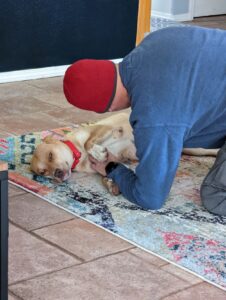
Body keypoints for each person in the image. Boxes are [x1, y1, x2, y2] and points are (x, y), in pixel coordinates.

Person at [63, 26, 226, 216]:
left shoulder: (153, 116)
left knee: (215, 194)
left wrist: (113, 169)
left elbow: (150, 197)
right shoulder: (154, 40)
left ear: (107, 109)